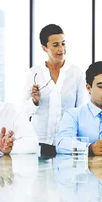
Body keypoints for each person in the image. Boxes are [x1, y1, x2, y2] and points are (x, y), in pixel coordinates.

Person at [21, 24, 87, 157]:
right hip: (39, 142)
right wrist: (34, 101)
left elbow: (80, 110)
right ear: (44, 48)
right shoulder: (34, 73)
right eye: (55, 45)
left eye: (63, 43)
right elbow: (23, 111)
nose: (61, 49)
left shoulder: (76, 73)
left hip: (67, 142)